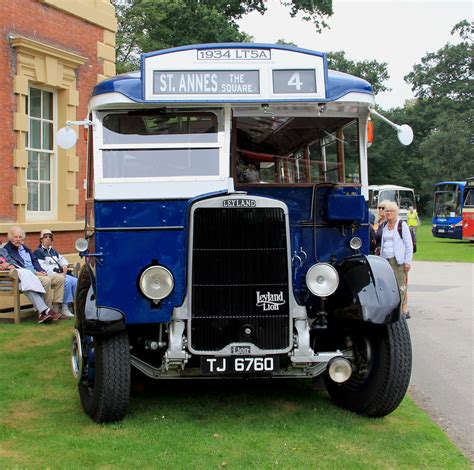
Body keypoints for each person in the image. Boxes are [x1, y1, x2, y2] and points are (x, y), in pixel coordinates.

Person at [3, 226, 66, 318]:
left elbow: (34, 261)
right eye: (15, 237)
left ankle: (56, 309)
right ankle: (48, 311)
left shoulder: (24, 248)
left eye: (20, 237)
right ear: (10, 238)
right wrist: (36, 273)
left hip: (37, 273)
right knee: (46, 280)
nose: (18, 239)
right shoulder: (7, 250)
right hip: (27, 276)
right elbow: (19, 267)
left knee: (60, 278)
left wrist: (41, 270)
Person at [0, 247, 60, 323]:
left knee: (26, 285)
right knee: (26, 283)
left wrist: (9, 264)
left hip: (15, 279)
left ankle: (43, 313)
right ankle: (45, 311)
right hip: (4, 281)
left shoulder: (2, 250)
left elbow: (12, 261)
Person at [379, 201, 413, 319]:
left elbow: (409, 245)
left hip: (397, 260)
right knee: (388, 284)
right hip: (385, 259)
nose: (388, 213)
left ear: (396, 212)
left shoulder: (401, 225)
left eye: (391, 211)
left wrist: (407, 262)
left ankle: (403, 309)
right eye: (387, 211)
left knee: (400, 284)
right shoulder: (384, 225)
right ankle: (391, 308)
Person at [34, 229, 77, 318]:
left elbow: (63, 260)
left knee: (75, 281)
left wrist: (64, 266)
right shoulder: (38, 252)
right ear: (41, 239)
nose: (48, 239)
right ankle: (64, 308)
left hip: (60, 274)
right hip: (49, 276)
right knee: (67, 282)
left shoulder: (53, 250)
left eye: (50, 237)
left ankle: (76, 306)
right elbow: (43, 268)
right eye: (45, 237)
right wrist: (58, 272)